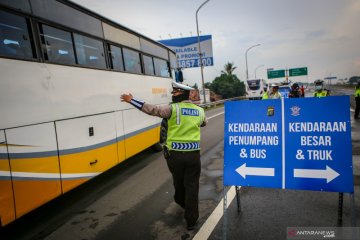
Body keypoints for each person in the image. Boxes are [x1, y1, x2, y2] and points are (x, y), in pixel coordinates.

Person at [120, 81, 207, 230]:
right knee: (192, 187)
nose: (173, 95)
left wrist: (131, 100)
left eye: (175, 93)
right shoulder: (200, 111)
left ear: (182, 94)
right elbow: (203, 123)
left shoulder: (171, 109)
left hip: (175, 156)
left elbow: (152, 110)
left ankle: (182, 202)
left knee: (179, 184)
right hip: (193, 156)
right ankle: (191, 220)